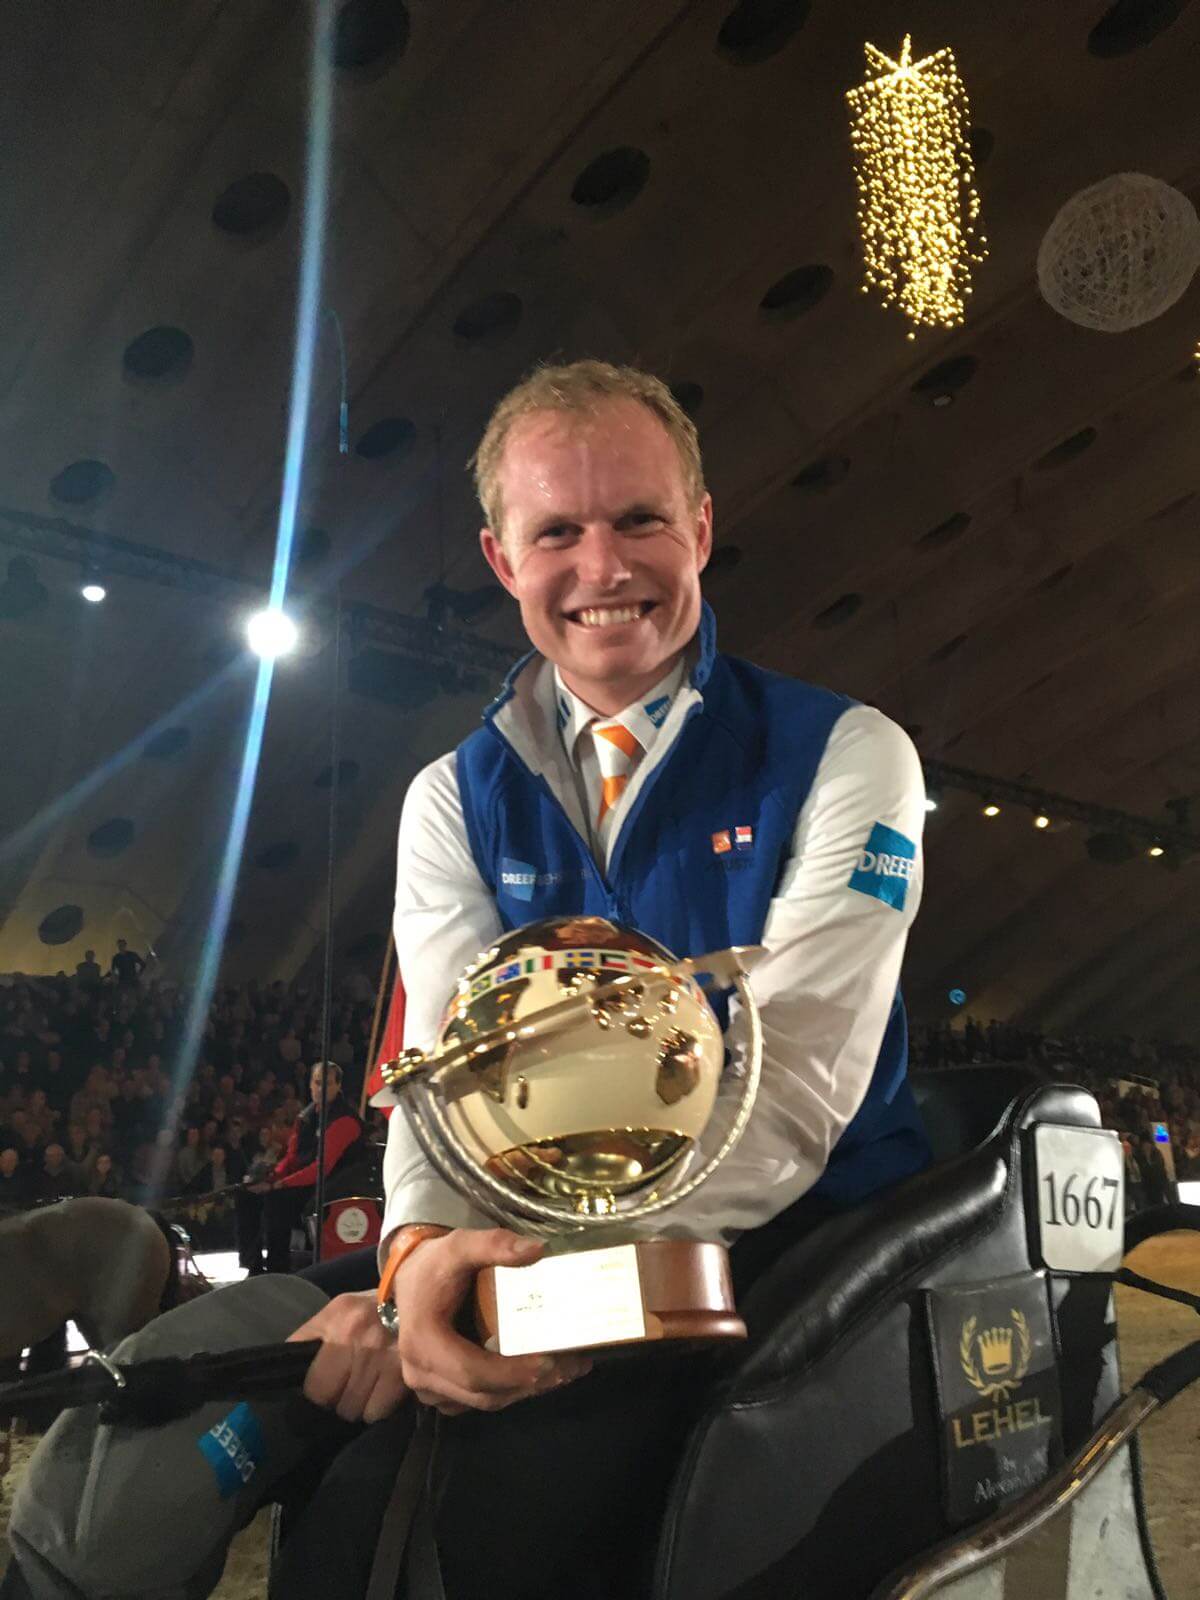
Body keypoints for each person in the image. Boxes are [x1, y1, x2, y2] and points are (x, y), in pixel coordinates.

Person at [277, 362, 930, 1599]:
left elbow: (791, 1087)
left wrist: (491, 1283)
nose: (604, 565)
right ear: (500, 557)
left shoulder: (850, 753)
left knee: (514, 1507)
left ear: (701, 528)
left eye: (639, 519)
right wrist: (417, 1259)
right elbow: (441, 1076)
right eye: (556, 533)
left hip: (799, 1221)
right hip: (524, 1233)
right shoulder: (448, 800)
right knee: (297, 1473)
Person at [235, 1061, 363, 1275]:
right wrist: (271, 1178)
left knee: (277, 1200)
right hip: (304, 1179)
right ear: (311, 1084)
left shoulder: (344, 1120)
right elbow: (292, 1157)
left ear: (338, 1086)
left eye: (328, 1084)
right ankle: (253, 1265)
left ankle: (278, 1267)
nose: (321, 1089)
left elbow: (321, 1168)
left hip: (333, 1184)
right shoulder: (306, 1117)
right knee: (246, 1194)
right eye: (317, 1083)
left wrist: (279, 1185)